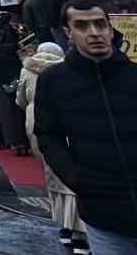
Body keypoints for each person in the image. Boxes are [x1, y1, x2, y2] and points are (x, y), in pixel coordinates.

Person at [34, 0, 137, 255]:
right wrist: (78, 180)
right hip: (105, 216)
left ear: (111, 29)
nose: (94, 33)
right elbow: (48, 136)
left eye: (100, 25)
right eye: (82, 26)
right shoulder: (54, 82)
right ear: (68, 33)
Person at [20, 41, 90, 254]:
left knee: (51, 171)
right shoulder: (68, 69)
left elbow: (20, 98)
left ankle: (64, 226)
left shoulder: (27, 69)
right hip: (66, 119)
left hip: (34, 119)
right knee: (71, 172)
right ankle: (79, 230)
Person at [0, 42, 31, 157]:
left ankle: (15, 144)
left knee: (8, 119)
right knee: (21, 117)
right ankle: (25, 143)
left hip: (3, 93)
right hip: (19, 91)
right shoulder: (19, 62)